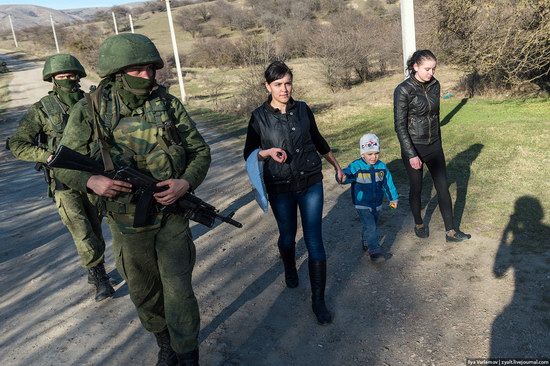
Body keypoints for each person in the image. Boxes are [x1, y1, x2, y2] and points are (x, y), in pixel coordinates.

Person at [54, 34, 211, 366]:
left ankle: (187, 354)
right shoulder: (90, 110)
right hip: (127, 224)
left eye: (149, 69)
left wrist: (185, 182)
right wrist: (92, 180)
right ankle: (164, 342)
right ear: (116, 72)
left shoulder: (168, 104)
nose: (146, 76)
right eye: (136, 70)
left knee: (179, 291)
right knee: (144, 293)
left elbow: (200, 151)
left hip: (172, 216)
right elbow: (64, 167)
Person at [243, 61, 344, 325]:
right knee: (287, 237)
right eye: (278, 84)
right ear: (268, 86)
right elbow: (249, 154)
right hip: (280, 187)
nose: (284, 89)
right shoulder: (258, 117)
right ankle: (289, 265)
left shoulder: (303, 110)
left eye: (288, 83)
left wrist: (336, 165)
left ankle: (318, 300)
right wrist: (266, 152)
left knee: (314, 241)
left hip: (311, 182)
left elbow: (318, 139)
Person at [9, 53, 116, 302]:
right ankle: (99, 275)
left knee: (96, 227)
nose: (68, 78)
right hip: (63, 183)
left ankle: (94, 268)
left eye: (71, 74)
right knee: (81, 231)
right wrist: (47, 157)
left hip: (94, 177)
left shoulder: (93, 102)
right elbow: (17, 143)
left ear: (78, 76)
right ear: (52, 79)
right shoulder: (41, 110)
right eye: (61, 75)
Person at [393, 49, 471, 242]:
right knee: (417, 188)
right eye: (427, 69)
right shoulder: (403, 90)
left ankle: (451, 231)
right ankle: (419, 223)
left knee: (443, 188)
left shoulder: (435, 85)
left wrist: (438, 143)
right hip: (414, 147)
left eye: (434, 69)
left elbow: (434, 117)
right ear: (415, 67)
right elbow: (400, 126)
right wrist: (411, 154)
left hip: (434, 145)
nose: (431, 73)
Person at [340, 133, 398, 262]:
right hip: (362, 203)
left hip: (377, 202)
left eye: (376, 153)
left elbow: (388, 183)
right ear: (362, 154)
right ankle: (374, 250)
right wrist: (342, 176)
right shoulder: (357, 166)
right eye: (369, 154)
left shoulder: (382, 167)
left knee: (372, 224)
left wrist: (393, 198)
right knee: (371, 226)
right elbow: (347, 174)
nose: (373, 157)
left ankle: (366, 240)